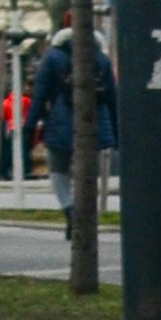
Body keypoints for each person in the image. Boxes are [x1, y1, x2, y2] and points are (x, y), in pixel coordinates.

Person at [34, 13, 115, 211]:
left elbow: (40, 93)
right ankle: (85, 210)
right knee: (88, 170)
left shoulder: (53, 56)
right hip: (96, 121)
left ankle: (69, 208)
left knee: (58, 168)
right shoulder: (101, 57)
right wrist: (116, 129)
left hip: (60, 119)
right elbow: (112, 95)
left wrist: (31, 125)